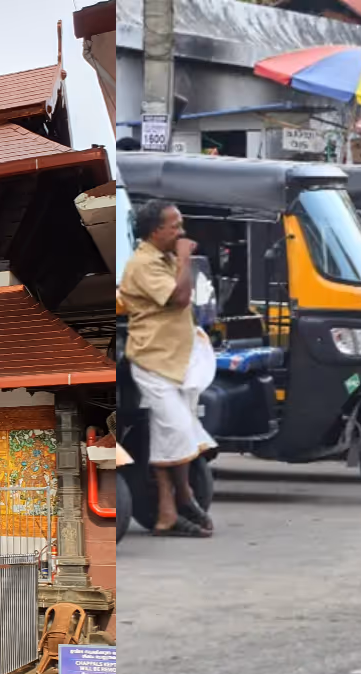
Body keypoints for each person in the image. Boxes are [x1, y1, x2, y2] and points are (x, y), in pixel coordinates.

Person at [119, 200, 218, 538]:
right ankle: (171, 510)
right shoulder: (143, 263)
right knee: (175, 431)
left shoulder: (165, 259)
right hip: (154, 361)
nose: (181, 231)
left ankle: (179, 503)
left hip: (177, 361)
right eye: (174, 226)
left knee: (180, 434)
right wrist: (187, 257)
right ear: (155, 231)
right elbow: (179, 298)